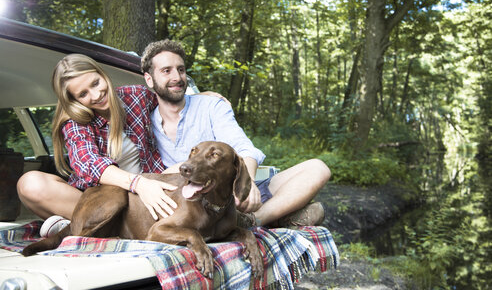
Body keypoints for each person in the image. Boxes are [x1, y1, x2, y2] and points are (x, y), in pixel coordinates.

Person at [140, 39, 331, 227]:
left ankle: (255, 220)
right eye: (167, 71)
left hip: (233, 189)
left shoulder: (212, 106)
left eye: (181, 70)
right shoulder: (144, 119)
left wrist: (247, 185)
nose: (177, 77)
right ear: (149, 79)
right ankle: (281, 217)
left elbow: (243, 148)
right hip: (192, 200)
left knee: (318, 168)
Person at [16, 54, 179, 236]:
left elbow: (172, 102)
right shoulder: (74, 123)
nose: (96, 95)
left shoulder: (135, 95)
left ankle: (78, 229)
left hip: (147, 197)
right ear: (74, 100)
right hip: (101, 203)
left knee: (185, 167)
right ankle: (109, 227)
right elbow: (89, 164)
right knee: (29, 184)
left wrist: (204, 98)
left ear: (102, 74)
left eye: (95, 83)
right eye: (83, 94)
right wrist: (139, 184)